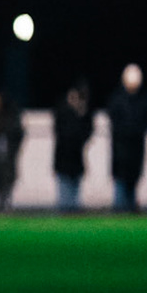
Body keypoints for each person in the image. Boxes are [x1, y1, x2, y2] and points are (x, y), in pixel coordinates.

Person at [106, 63, 147, 212]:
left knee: (132, 186)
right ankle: (120, 214)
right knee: (121, 187)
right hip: (121, 153)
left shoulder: (143, 100)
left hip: (135, 153)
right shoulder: (117, 99)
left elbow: (145, 122)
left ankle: (130, 213)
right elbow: (116, 123)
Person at [51, 79, 94, 210]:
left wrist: (81, 113)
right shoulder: (62, 110)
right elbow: (63, 133)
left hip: (76, 163)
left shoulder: (83, 113)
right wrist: (72, 110)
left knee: (74, 206)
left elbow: (87, 132)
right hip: (63, 163)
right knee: (64, 204)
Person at [0, 90, 24, 211]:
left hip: (8, 155)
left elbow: (18, 134)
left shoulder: (11, 117)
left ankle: (6, 201)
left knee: (7, 177)